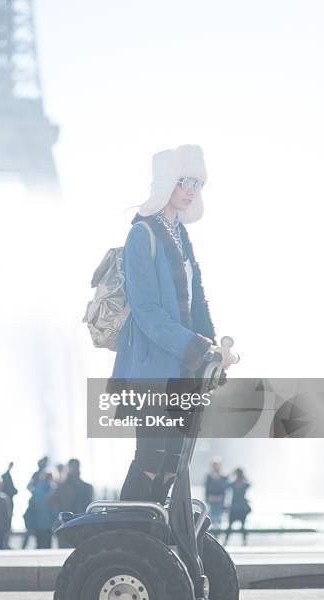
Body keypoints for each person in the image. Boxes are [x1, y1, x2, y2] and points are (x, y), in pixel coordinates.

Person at [111, 145, 234, 504]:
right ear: (167, 182)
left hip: (182, 367)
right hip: (153, 367)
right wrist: (198, 348)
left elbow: (199, 302)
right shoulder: (142, 235)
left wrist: (213, 348)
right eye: (185, 181)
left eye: (198, 182)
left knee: (173, 465)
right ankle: (125, 542)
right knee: (150, 460)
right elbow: (148, 313)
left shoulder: (181, 236)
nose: (192, 189)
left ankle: (154, 546)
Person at [224, 468, 251, 545]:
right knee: (239, 526)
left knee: (233, 526)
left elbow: (225, 484)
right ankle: (243, 542)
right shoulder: (243, 485)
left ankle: (227, 541)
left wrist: (231, 474)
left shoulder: (234, 484)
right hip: (239, 508)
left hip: (237, 508)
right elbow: (249, 483)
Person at [29, 471, 56, 549]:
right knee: (47, 545)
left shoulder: (36, 490)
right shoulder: (52, 490)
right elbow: (54, 508)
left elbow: (32, 507)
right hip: (48, 523)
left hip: (37, 523)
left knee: (39, 544)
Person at [205, 457, 228, 529]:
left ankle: (218, 531)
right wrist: (207, 497)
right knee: (212, 515)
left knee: (218, 516)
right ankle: (213, 531)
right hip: (211, 498)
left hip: (220, 498)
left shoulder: (223, 476)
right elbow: (207, 488)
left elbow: (224, 489)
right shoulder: (209, 476)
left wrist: (224, 500)